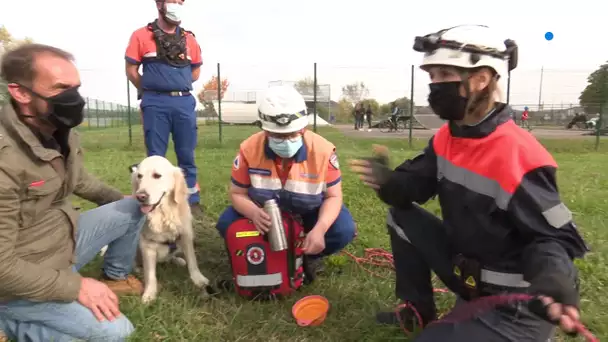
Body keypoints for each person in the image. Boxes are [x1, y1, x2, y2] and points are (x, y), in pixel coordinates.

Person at [350, 25, 589, 341]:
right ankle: (418, 308)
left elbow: (551, 238)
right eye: (432, 75)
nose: (435, 85)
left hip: (514, 302)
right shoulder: (448, 137)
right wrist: (390, 181)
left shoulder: (518, 154)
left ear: (482, 78)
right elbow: (415, 187)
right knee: (400, 215)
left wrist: (554, 279)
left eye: (445, 73)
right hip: (468, 272)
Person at [0, 44, 146, 342]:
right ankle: (9, 321)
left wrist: (122, 203)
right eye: (60, 88)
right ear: (21, 93)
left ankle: (114, 276)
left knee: (133, 208)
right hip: (17, 277)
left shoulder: (56, 127)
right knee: (114, 332)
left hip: (60, 243)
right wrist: (76, 287)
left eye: (76, 88)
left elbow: (79, 180)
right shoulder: (5, 158)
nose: (74, 99)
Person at [216, 85, 356, 275]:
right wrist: (253, 213)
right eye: (277, 136)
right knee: (227, 223)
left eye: (291, 134)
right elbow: (237, 193)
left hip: (309, 212)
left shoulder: (323, 151)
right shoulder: (249, 149)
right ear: (264, 130)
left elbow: (334, 197)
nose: (285, 141)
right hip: (263, 213)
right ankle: (266, 254)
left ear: (303, 128)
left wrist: (320, 229)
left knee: (342, 229)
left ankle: (309, 257)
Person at [125, 0, 204, 216]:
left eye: (180, 1)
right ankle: (154, 199)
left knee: (186, 152)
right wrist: (151, 90)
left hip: (183, 102)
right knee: (154, 156)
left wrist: (177, 85)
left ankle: (190, 199)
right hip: (155, 103)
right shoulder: (141, 35)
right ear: (159, 3)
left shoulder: (189, 39)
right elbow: (131, 70)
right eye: (172, 0)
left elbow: (195, 72)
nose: (177, 4)